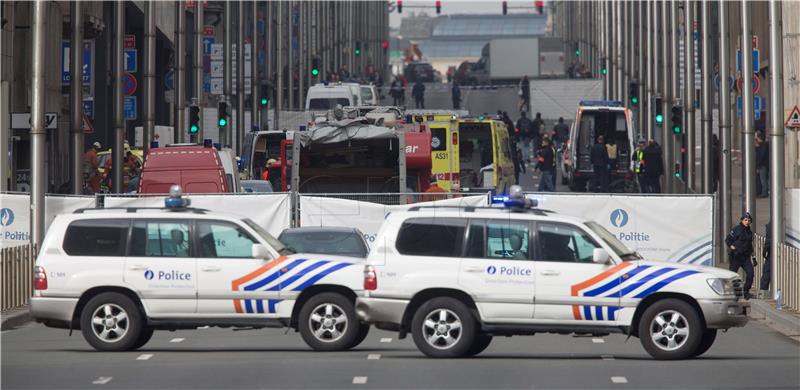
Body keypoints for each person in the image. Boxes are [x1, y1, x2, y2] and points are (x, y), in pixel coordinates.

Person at [725, 212, 755, 299]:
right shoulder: (736, 229)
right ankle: (731, 292)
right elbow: (728, 240)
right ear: (742, 220)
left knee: (750, 274)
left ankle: (746, 291)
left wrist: (753, 257)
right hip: (736, 256)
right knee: (732, 275)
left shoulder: (749, 232)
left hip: (745, 257)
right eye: (745, 220)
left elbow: (750, 245)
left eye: (749, 220)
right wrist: (732, 247)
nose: (747, 222)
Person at [759, 220, 772, 298]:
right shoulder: (772, 224)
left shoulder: (770, 225)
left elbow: (768, 239)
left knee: (767, 271)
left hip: (771, 251)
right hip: (774, 251)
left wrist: (765, 250)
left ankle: (763, 292)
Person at [755, 132, 769, 198]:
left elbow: (761, 156)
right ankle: (762, 192)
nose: (756, 138)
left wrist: (758, 165)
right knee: (763, 179)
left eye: (757, 137)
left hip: (762, 165)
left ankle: (764, 193)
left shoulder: (763, 146)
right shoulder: (763, 145)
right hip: (763, 165)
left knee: (763, 179)